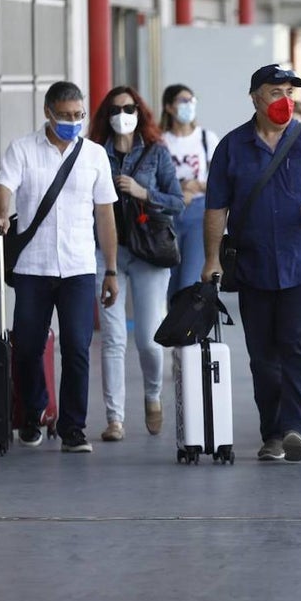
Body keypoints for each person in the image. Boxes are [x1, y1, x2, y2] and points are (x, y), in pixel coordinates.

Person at [202, 64, 301, 463]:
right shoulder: (232, 147)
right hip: (254, 266)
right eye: (275, 92)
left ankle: (295, 430)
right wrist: (211, 258)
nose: (285, 100)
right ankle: (272, 433)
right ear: (255, 97)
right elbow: (216, 207)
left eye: (289, 92)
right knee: (263, 356)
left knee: (298, 348)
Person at [0, 80, 119, 453]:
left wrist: (109, 269)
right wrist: (0, 216)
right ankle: (34, 411)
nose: (72, 122)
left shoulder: (94, 155)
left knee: (77, 348)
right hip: (34, 266)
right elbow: (3, 189)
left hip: (79, 266)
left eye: (78, 115)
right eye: (64, 116)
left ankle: (73, 429)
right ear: (47, 112)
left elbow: (105, 214)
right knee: (28, 347)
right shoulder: (23, 150)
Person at [88, 86, 184, 442]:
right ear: (105, 117)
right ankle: (115, 419)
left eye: (128, 108)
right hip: (107, 253)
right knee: (113, 338)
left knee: (148, 338)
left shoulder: (157, 153)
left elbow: (178, 203)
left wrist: (145, 194)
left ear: (140, 112)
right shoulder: (95, 154)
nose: (122, 115)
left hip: (149, 254)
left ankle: (153, 394)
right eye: (114, 109)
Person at [161, 83, 220, 297]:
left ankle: (187, 329)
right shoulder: (161, 141)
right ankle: (172, 329)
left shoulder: (206, 138)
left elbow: (219, 181)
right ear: (168, 107)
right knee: (170, 282)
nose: (188, 105)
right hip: (169, 214)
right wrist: (180, 188)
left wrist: (196, 186)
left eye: (191, 101)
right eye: (182, 101)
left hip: (198, 214)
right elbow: (155, 181)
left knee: (190, 282)